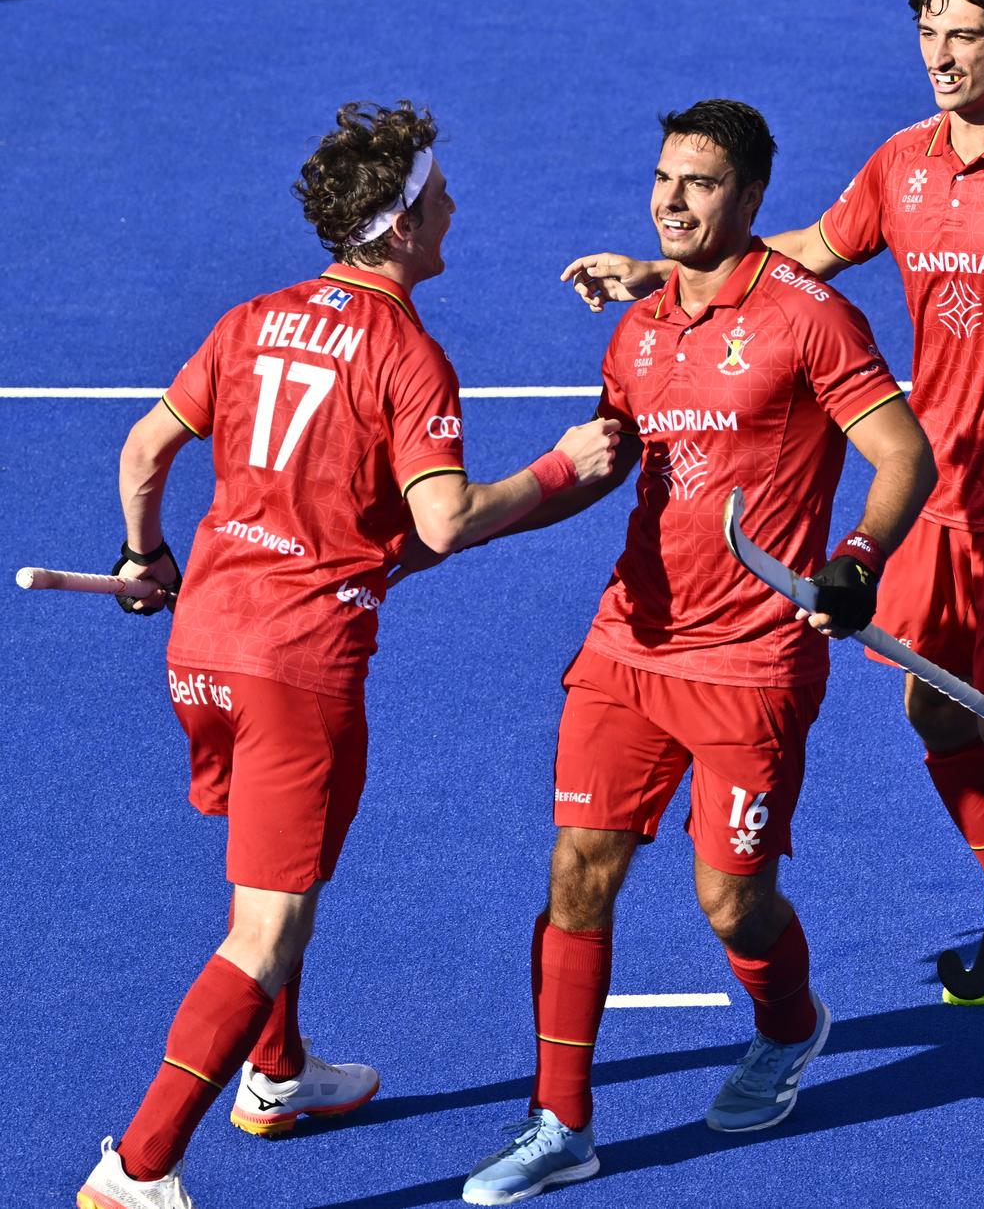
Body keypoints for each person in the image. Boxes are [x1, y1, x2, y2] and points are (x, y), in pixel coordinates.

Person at [560, 0, 984, 1007]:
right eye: (927, 33)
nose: (941, 56)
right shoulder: (903, 162)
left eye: (963, 35)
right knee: (933, 712)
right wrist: (668, 266)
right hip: (930, 482)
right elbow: (808, 250)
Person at [76, 102, 622, 1209]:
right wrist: (564, 468)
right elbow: (444, 522)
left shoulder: (247, 321)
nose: (454, 207)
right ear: (400, 225)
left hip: (201, 650)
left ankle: (274, 1076)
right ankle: (136, 1167)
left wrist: (146, 553)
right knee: (266, 925)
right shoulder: (406, 354)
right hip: (296, 669)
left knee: (280, 873)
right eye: (439, 196)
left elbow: (144, 450)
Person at [459, 100, 934, 1205]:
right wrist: (471, 518)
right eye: (665, 178)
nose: (673, 200)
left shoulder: (813, 320)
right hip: (629, 642)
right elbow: (603, 459)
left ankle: (788, 1023)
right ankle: (558, 1121)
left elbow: (901, 453)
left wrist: (857, 559)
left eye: (701, 183)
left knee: (733, 901)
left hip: (753, 662)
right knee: (580, 867)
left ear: (753, 197)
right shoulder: (636, 330)